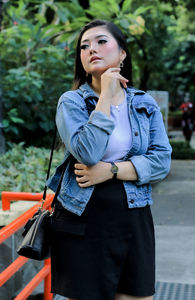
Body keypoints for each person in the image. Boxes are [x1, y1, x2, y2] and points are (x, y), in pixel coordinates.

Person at [48, 19, 172, 300]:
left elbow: (162, 161)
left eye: (102, 41)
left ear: (122, 54)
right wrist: (105, 95)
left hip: (133, 216)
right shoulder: (71, 102)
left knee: (137, 296)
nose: (92, 49)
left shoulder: (144, 103)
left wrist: (111, 170)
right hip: (83, 218)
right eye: (84, 46)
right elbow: (88, 152)